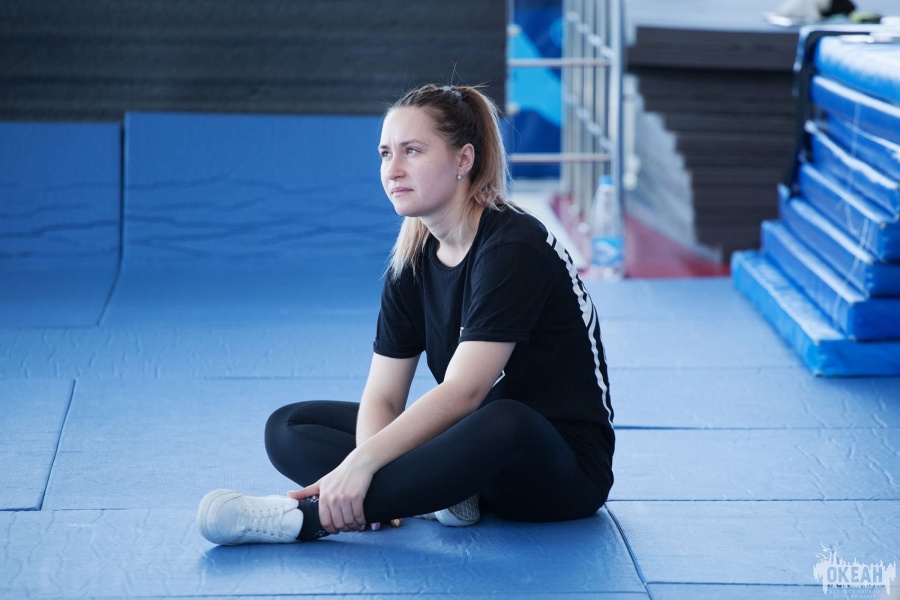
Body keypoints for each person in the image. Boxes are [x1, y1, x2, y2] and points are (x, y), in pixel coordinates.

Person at [196, 84, 615, 545]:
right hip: (467, 451)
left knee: (504, 419)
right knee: (289, 427)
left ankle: (300, 519)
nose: (392, 169)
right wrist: (364, 463)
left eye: (412, 151)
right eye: (384, 154)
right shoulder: (412, 260)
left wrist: (359, 467)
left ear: (463, 159)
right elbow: (383, 396)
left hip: (556, 467)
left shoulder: (514, 245)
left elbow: (464, 393)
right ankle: (435, 495)